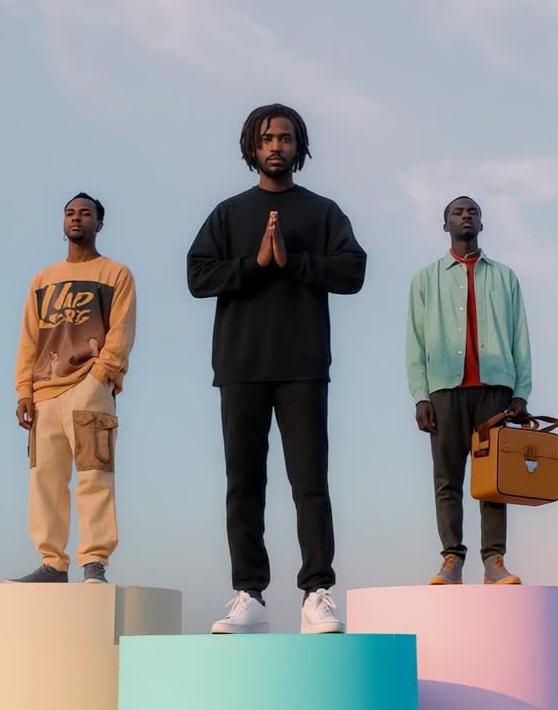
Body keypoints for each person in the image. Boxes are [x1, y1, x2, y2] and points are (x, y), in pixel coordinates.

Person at [187, 103, 366, 633]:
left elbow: (353, 271)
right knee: (244, 483)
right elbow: (198, 276)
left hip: (303, 366)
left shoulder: (322, 212)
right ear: (252, 146)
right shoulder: (227, 214)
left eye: (286, 138)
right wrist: (256, 265)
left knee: (309, 482)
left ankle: (317, 593)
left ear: (299, 147)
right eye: (267, 138)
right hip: (240, 365)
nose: (276, 146)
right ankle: (250, 595)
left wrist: (297, 261)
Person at [10, 192, 137, 584]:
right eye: (70, 213)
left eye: (85, 214)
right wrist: (24, 392)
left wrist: (100, 377)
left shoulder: (116, 274)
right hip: (45, 393)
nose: (76, 219)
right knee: (45, 480)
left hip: (90, 387)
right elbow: (29, 339)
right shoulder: (42, 280)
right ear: (62, 223)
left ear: (99, 224)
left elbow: (121, 331)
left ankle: (94, 563)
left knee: (94, 476)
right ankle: (52, 563)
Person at [405, 196, 532, 586]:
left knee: (494, 480)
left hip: (494, 392)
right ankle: (451, 559)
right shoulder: (426, 279)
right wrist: (421, 395)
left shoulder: (505, 277)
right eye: (458, 212)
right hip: (445, 390)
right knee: (447, 479)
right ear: (446, 225)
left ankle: (494, 561)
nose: (466, 216)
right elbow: (416, 342)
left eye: (473, 211)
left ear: (481, 223)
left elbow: (520, 337)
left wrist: (521, 391)